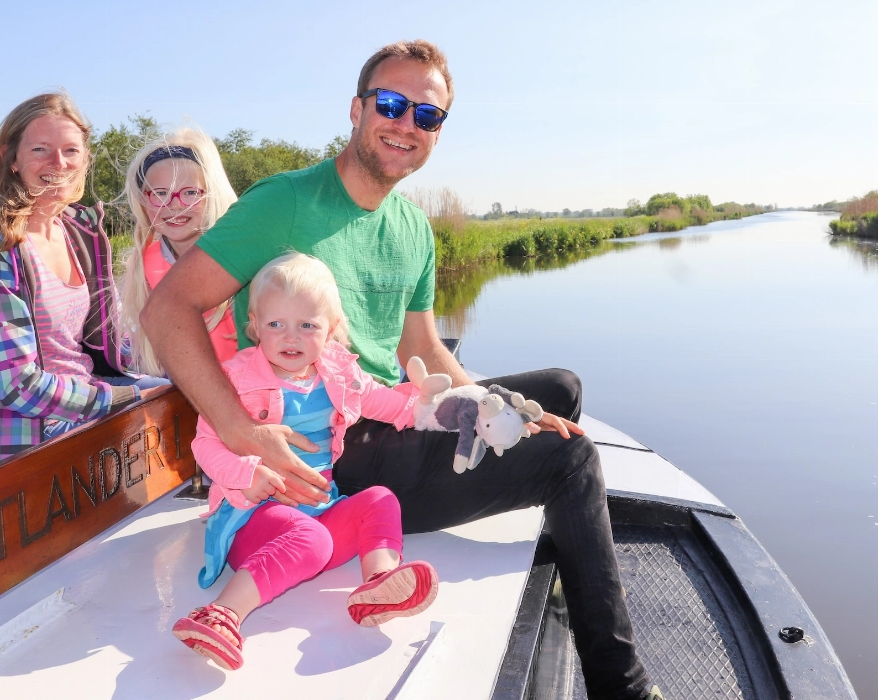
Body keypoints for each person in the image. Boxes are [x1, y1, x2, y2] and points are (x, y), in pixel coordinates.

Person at [143, 41, 658, 699]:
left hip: (387, 409)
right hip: (335, 446)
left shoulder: (412, 227)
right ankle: (623, 687)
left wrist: (492, 410)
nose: (406, 123)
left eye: (427, 114)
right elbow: (167, 310)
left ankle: (569, 548)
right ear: (357, 110)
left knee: (560, 391)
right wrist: (240, 430)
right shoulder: (284, 203)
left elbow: (425, 350)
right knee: (572, 460)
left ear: (437, 132)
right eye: (390, 104)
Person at [172, 252, 440, 671]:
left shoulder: (338, 373)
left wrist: (431, 407)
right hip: (253, 517)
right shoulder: (235, 379)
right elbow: (205, 444)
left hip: (318, 512)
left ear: (331, 329)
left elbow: (387, 404)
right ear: (254, 325)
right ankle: (221, 614)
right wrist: (246, 474)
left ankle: (378, 584)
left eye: (307, 326)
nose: (290, 338)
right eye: (275, 324)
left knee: (380, 499)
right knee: (310, 540)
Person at [0, 92, 161, 475]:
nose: (59, 163)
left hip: (84, 416)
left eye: (70, 151)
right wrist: (125, 396)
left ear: (85, 158)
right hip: (17, 451)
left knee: (188, 388)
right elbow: (19, 386)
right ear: (11, 158)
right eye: (41, 149)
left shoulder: (78, 231)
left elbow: (113, 340)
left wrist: (173, 366)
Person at [118, 128, 239, 376]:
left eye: (190, 193)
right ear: (143, 201)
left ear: (212, 195)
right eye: (160, 193)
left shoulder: (241, 260)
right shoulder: (145, 266)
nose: (174, 205)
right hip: (183, 388)